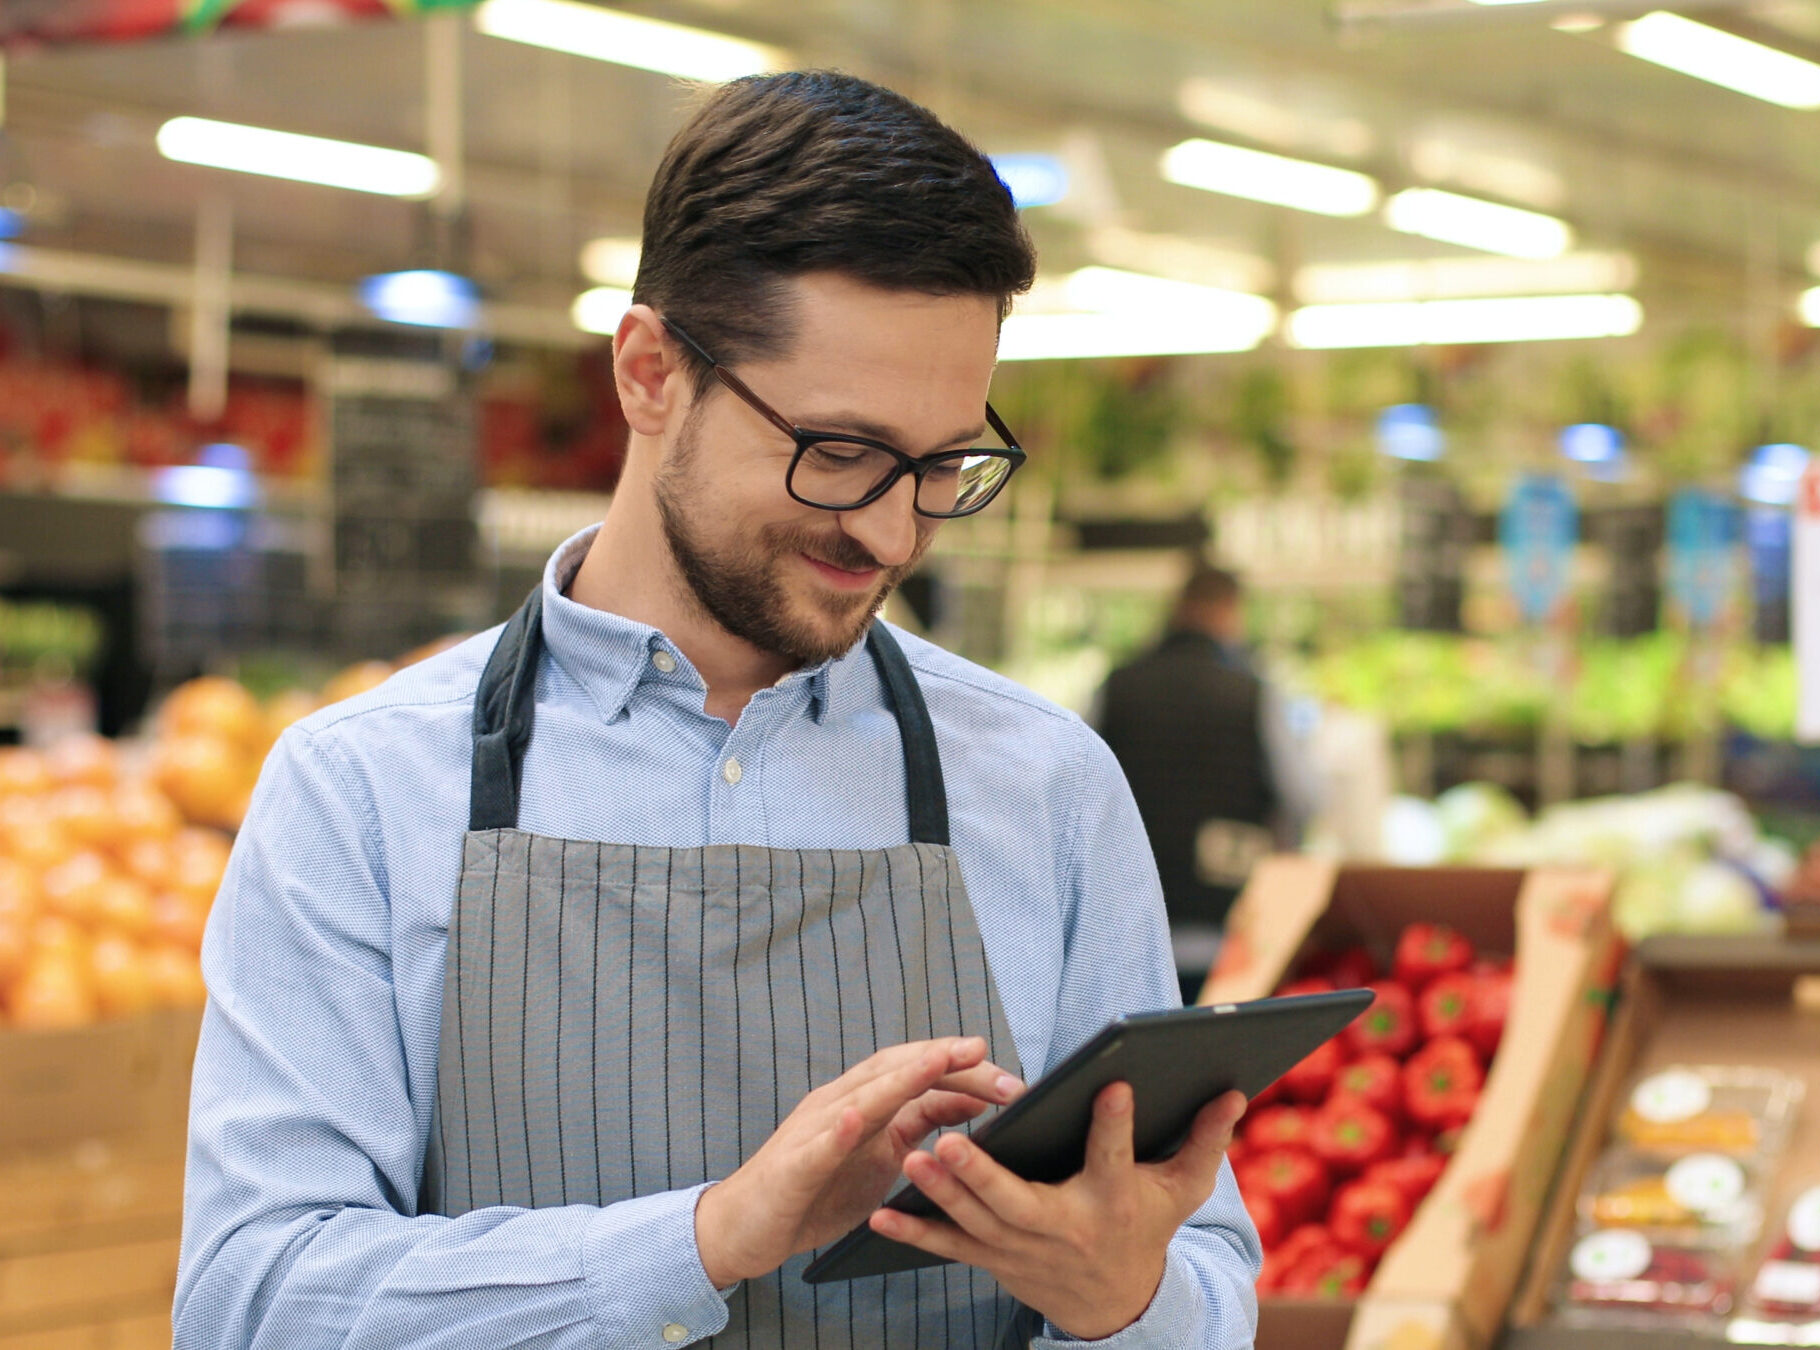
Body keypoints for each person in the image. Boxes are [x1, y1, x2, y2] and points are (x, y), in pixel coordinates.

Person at [176, 71, 1258, 1349]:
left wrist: (1125, 1298)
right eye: (839, 451)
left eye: (945, 463)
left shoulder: (1047, 788)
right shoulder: (358, 790)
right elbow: (252, 1302)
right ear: (648, 374)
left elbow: (1206, 1282)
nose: (892, 526)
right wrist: (705, 1240)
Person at [1092, 563, 1319, 1003]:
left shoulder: (1116, 687)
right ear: (1230, 612)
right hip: (1229, 928)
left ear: (1178, 609)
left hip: (1128, 930)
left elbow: (1077, 792)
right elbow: (1304, 797)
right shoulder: (1254, 692)